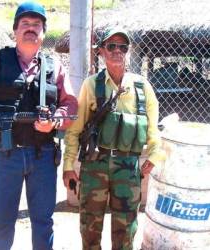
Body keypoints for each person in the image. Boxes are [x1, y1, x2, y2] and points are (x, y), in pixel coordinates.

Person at [0, 1, 77, 250]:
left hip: (43, 156)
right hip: (5, 154)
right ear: (15, 30)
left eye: (36, 25)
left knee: (43, 222)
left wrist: (54, 121)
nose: (30, 29)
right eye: (25, 24)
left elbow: (70, 105)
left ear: (43, 32)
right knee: (3, 221)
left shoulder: (55, 67)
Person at [62, 27, 164, 250]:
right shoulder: (91, 85)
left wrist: (155, 155)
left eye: (123, 47)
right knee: (89, 227)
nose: (117, 51)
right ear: (101, 51)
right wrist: (69, 164)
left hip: (128, 167)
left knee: (126, 230)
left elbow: (153, 130)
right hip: (94, 165)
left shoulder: (142, 87)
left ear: (127, 51)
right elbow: (75, 128)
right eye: (111, 46)